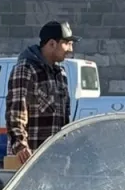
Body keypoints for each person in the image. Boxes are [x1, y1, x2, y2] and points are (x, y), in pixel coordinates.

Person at [5, 20, 77, 164]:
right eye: (67, 43)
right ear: (52, 44)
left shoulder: (60, 74)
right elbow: (16, 113)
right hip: (30, 161)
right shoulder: (25, 70)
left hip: (55, 159)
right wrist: (20, 146)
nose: (70, 49)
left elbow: (64, 120)